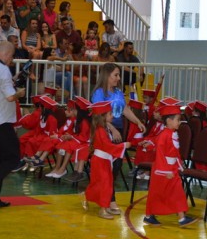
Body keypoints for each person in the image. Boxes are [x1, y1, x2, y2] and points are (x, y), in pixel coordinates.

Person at [91, 62, 146, 212]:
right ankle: (109, 200)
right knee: (107, 168)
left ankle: (107, 198)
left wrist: (137, 121)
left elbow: (125, 109)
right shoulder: (99, 93)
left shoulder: (118, 92)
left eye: (118, 75)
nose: (118, 78)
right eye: (116, 75)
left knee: (115, 167)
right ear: (107, 76)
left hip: (118, 131)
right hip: (105, 130)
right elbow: (98, 115)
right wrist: (112, 129)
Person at [0, 41, 25, 208]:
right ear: (6, 54)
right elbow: (9, 97)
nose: (12, 59)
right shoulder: (3, 70)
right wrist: (19, 93)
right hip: (0, 121)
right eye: (12, 55)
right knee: (12, 158)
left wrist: (12, 80)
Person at [143, 104, 194, 227]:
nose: (179, 122)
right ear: (169, 121)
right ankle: (150, 216)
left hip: (171, 168)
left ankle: (181, 218)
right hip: (163, 169)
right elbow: (160, 153)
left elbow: (174, 151)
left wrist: (178, 164)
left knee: (176, 191)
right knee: (158, 193)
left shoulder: (171, 133)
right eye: (177, 119)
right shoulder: (165, 135)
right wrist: (165, 170)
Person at [83, 101, 131, 219]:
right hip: (100, 161)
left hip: (104, 160)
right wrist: (123, 145)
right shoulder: (100, 131)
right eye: (110, 114)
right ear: (103, 117)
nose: (113, 116)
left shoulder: (104, 129)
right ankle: (103, 209)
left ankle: (91, 198)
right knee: (105, 184)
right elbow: (108, 146)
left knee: (103, 183)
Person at [46, 97, 91, 179]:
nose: (73, 111)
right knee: (62, 145)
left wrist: (71, 137)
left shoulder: (84, 122)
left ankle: (63, 169)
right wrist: (68, 136)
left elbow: (84, 137)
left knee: (67, 145)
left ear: (79, 111)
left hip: (85, 142)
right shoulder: (78, 120)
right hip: (78, 140)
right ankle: (57, 168)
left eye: (74, 110)